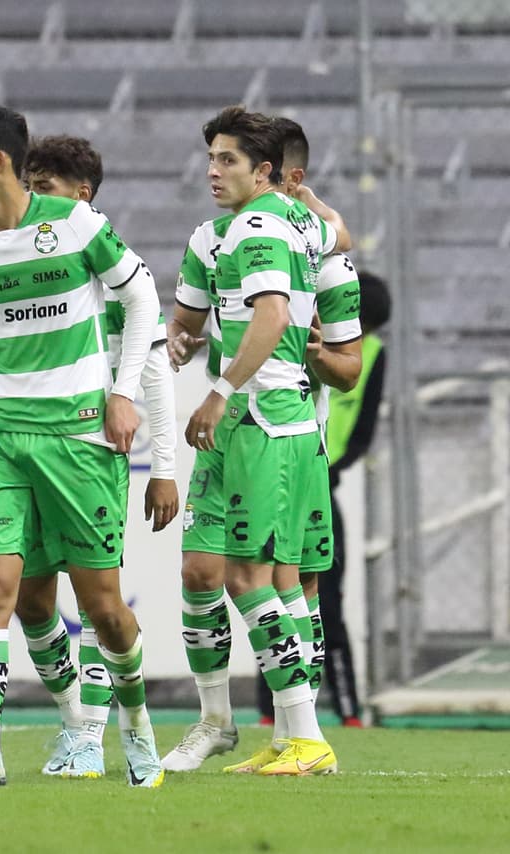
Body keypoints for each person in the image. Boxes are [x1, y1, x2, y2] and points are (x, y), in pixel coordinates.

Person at [0, 134, 179, 780]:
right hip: (2, 436)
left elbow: (145, 301)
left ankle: (131, 726)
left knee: (103, 608)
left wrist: (125, 400)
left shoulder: (76, 226)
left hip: (79, 437)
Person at [164, 115, 359, 771]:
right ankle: (272, 732)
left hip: (260, 418)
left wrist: (218, 389)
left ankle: (305, 734)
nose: (213, 171)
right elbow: (342, 234)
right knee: (227, 572)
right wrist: (180, 335)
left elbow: (273, 317)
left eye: (227, 161)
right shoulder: (293, 225)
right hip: (266, 420)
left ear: (265, 172)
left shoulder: (257, 227)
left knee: (252, 576)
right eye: (210, 159)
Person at [252, 117, 363, 730]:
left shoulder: (324, 255)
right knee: (242, 577)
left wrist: (310, 351)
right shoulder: (224, 240)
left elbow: (348, 370)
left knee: (287, 581)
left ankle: (303, 727)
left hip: (296, 438)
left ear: (281, 176)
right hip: (243, 433)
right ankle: (282, 724)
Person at [320, 270, 390, 725]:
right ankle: (271, 712)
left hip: (322, 486)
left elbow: (363, 432)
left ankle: (348, 709)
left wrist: (330, 469)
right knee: (270, 596)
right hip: (285, 477)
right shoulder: (306, 337)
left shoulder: (374, 355)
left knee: (327, 602)